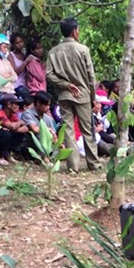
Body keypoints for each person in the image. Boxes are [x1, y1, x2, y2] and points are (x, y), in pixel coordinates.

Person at [46, 17, 101, 172]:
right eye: (77, 29)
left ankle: (73, 166)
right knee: (87, 129)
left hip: (64, 95)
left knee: (68, 130)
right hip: (82, 95)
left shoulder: (53, 52)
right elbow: (91, 76)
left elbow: (49, 75)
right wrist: (92, 97)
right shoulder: (83, 50)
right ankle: (93, 163)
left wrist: (65, 85)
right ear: (74, 31)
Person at [0, 94, 29, 164]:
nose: (18, 106)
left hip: (7, 135)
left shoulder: (13, 115)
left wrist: (14, 128)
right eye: (16, 104)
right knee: (5, 133)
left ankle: (8, 155)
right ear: (9, 104)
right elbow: (12, 126)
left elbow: (26, 128)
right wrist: (16, 126)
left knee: (17, 133)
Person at [0, 33, 17, 109]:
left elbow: (15, 77)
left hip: (10, 93)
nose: (6, 50)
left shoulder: (6, 61)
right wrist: (7, 76)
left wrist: (4, 77)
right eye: (4, 47)